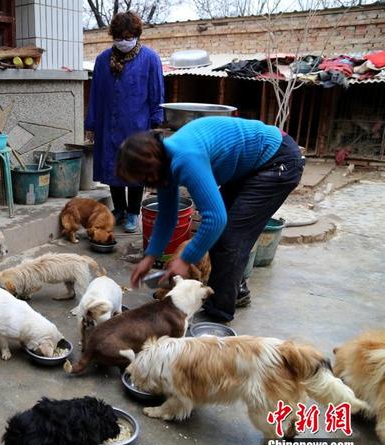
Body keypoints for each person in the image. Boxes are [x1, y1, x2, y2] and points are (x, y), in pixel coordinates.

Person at [118, 116, 305, 322]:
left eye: (143, 178)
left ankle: (217, 319)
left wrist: (184, 259)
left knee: (230, 239)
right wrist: (150, 257)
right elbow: (167, 216)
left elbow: (215, 219)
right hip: (250, 166)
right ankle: (236, 291)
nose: (145, 183)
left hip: (277, 160)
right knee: (222, 238)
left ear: (151, 165)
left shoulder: (185, 159)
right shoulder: (163, 164)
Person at [84, 11, 164, 233]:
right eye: (119, 37)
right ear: (113, 36)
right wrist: (91, 124)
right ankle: (119, 209)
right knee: (112, 166)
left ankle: (132, 212)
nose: (124, 41)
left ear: (137, 35)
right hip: (108, 124)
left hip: (138, 125)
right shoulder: (102, 61)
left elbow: (157, 93)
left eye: (129, 37)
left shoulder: (150, 59)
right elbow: (96, 95)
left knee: (135, 168)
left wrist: (156, 123)